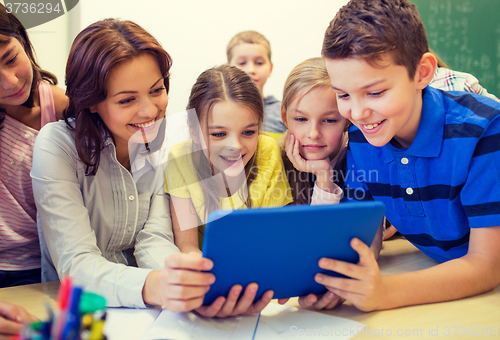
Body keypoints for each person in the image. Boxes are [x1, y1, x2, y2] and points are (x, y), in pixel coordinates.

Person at [315, 0, 500, 311]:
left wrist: (384, 292)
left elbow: (487, 264)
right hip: (444, 288)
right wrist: (333, 282)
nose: (357, 113)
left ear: (422, 73)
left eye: (375, 92)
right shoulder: (362, 138)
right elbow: (365, 238)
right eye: (343, 95)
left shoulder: (483, 129)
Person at [166, 64, 292, 254]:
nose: (236, 146)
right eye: (219, 134)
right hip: (210, 270)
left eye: (248, 132)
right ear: (194, 131)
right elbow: (187, 245)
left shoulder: (266, 151)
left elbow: (275, 237)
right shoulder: (180, 159)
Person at [0, 3, 68, 288]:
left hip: (39, 269)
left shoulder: (62, 106)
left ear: (23, 39)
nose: (9, 82)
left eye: (10, 58)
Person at [281, 57, 348, 206]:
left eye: (329, 120)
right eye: (301, 119)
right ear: (284, 117)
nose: (313, 133)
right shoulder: (275, 161)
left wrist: (324, 176)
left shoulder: (361, 156)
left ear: (347, 120)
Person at [227, 31, 287, 134]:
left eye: (259, 63)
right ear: (227, 68)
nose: (251, 70)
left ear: (270, 68)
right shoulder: (218, 109)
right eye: (242, 63)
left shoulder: (283, 112)